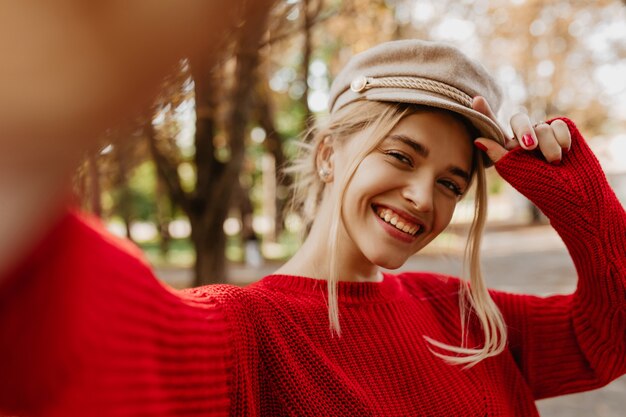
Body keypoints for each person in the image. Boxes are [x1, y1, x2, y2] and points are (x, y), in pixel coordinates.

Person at [1, 36, 625, 417]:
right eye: (401, 156)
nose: (420, 197)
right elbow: (73, 339)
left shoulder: (466, 319)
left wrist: (580, 197)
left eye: (450, 182)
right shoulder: (247, 336)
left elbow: (612, 335)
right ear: (330, 154)